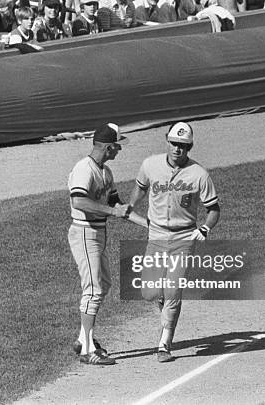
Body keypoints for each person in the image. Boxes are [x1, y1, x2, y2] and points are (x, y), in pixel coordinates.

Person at [127, 122, 220, 363]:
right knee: (149, 292)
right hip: (156, 236)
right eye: (173, 143)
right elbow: (140, 188)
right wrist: (130, 206)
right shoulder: (150, 165)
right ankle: (164, 302)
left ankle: (164, 344)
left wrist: (206, 228)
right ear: (166, 141)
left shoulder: (199, 174)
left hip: (184, 238)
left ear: (190, 147)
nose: (177, 149)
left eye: (183, 145)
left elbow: (214, 209)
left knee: (173, 290)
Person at [68, 123, 131, 366]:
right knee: (93, 289)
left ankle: (83, 338)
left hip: (98, 234)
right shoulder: (84, 169)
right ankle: (86, 350)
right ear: (107, 146)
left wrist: (149, 224)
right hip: (84, 233)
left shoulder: (106, 172)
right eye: (117, 145)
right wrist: (112, 212)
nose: (119, 150)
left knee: (103, 284)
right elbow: (79, 202)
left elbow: (118, 206)